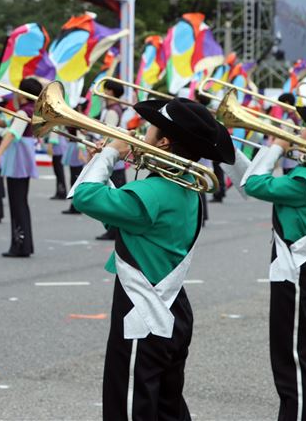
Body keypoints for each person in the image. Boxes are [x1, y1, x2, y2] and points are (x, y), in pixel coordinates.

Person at [72, 97, 234, 421]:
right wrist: (104, 168)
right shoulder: (182, 185)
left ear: (164, 142)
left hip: (143, 313)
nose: (141, 134)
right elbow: (120, 216)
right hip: (167, 308)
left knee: (131, 409)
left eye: (149, 129)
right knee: (165, 408)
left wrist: (109, 154)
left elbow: (84, 197)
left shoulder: (158, 190)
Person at [236, 106, 306, 421]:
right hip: (305, 267)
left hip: (296, 270)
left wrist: (278, 146)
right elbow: (252, 179)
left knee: (291, 359)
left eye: (305, 128)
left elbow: (253, 185)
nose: (298, 131)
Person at [0, 77, 42, 257]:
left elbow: (11, 134)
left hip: (18, 159)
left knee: (17, 203)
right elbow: (6, 126)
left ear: (22, 93)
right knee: (21, 202)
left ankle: (20, 245)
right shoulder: (30, 111)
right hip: (22, 159)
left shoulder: (23, 112)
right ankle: (25, 244)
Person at [95, 79, 128, 240]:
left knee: (114, 196)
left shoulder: (112, 111)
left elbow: (108, 135)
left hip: (113, 157)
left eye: (105, 90)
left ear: (110, 91)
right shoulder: (111, 109)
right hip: (115, 156)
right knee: (116, 195)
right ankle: (114, 229)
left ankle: (114, 230)